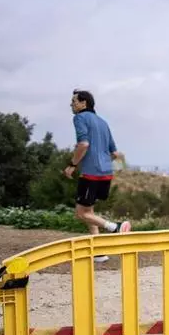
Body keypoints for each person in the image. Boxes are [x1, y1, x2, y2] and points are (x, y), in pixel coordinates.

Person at [64, 89, 131, 262]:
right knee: (89, 210)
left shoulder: (79, 118)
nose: (71, 104)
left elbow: (83, 144)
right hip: (106, 174)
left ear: (83, 103)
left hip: (91, 174)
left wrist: (72, 165)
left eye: (74, 101)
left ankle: (114, 227)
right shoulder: (103, 122)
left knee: (80, 213)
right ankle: (99, 252)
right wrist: (102, 160)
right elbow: (115, 153)